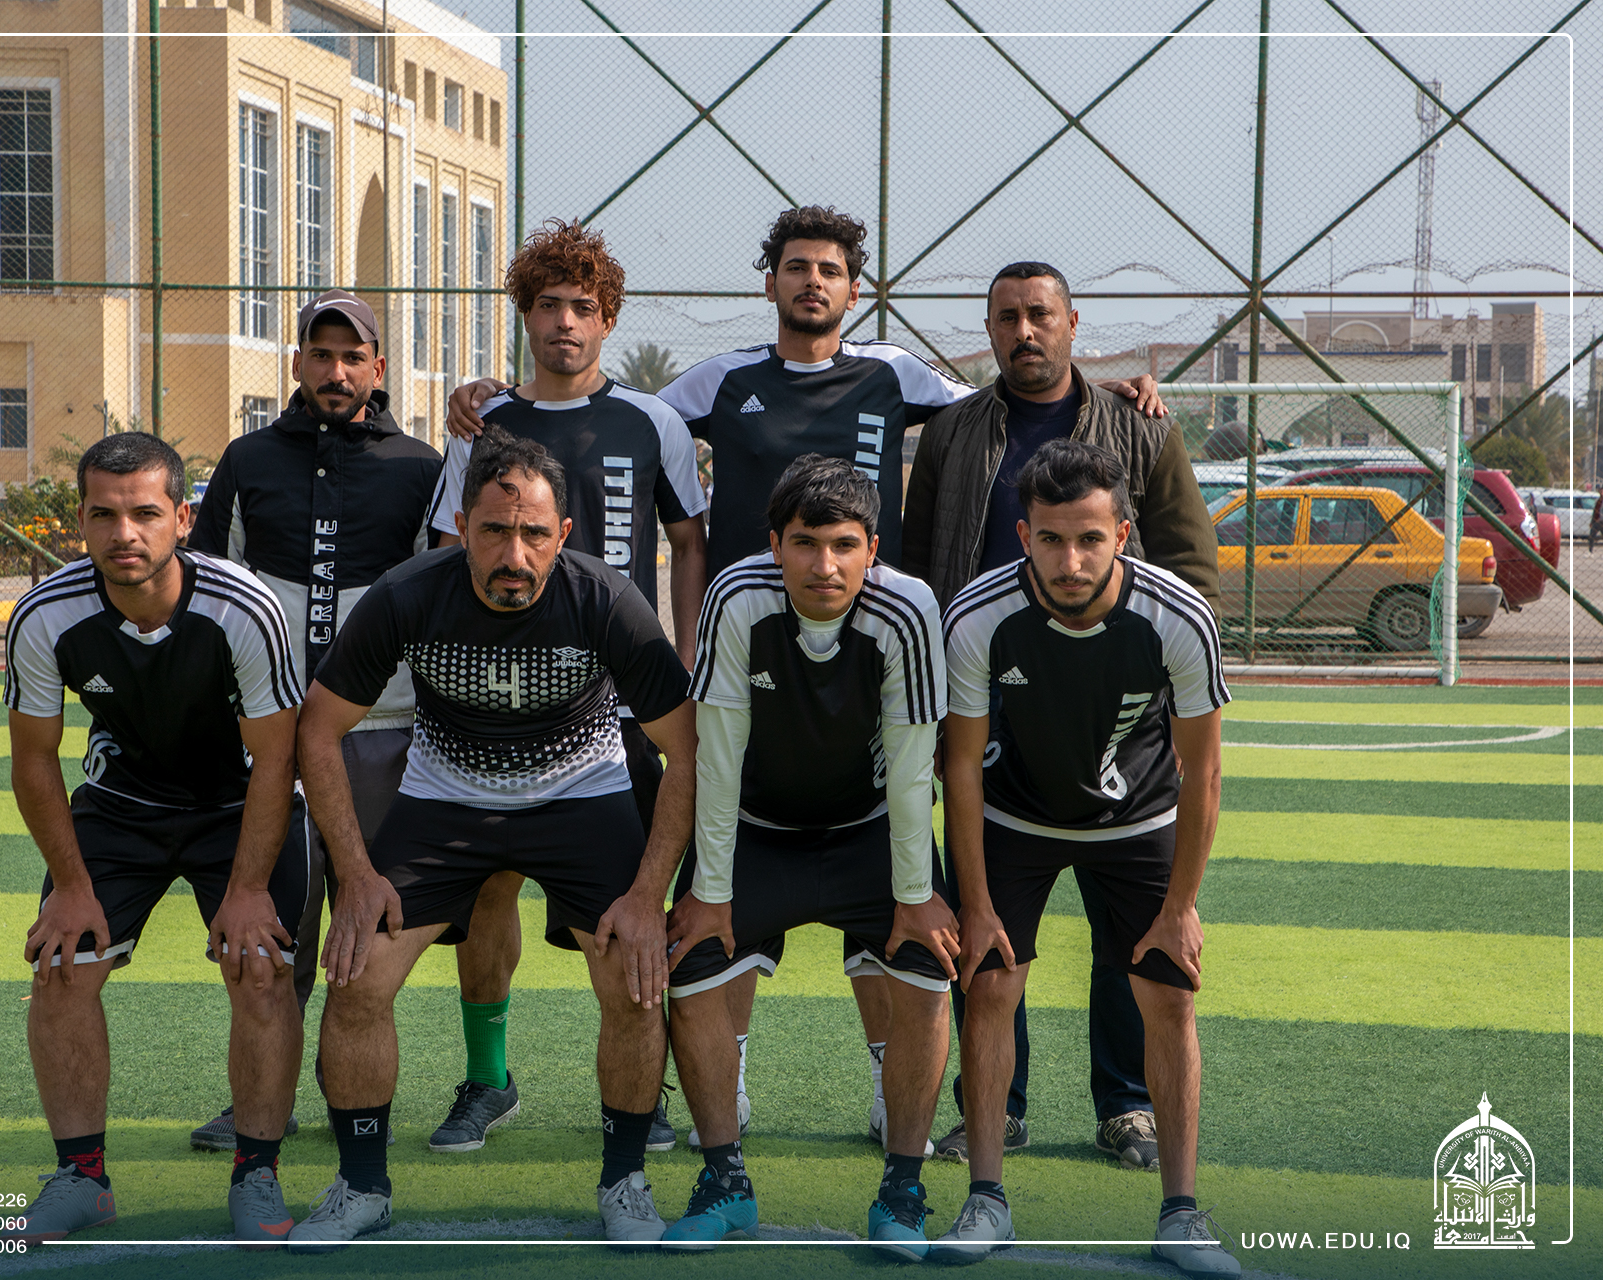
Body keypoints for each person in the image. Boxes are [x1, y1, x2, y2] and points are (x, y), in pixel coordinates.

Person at [449, 212, 1166, 1151]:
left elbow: (1018, 393)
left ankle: (891, 1085)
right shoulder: (719, 381)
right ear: (771, 282)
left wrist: (1105, 389)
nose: (812, 282)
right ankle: (727, 1077)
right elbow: (609, 412)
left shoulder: (897, 374)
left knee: (890, 875)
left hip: (867, 661)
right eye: (796, 267)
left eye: (829, 269)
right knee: (724, 876)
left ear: (853, 288)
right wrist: (489, 394)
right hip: (751, 659)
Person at [287, 430, 697, 1250]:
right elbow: (319, 730)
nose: (515, 554)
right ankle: (361, 1187)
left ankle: (624, 1181)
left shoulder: (607, 599)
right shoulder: (407, 593)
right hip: (446, 799)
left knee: (634, 982)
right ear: (462, 528)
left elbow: (685, 750)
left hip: (581, 797)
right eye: (495, 531)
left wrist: (648, 894)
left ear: (563, 534)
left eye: (534, 534)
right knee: (358, 978)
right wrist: (358, 873)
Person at [903, 261, 1219, 1171]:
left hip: (1114, 703)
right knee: (990, 934)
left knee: (1133, 932)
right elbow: (921, 563)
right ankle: (997, 1109)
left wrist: (1157, 683)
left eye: (1040, 314)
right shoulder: (954, 429)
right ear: (990, 329)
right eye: (1006, 317)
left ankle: (1126, 1105)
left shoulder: (1139, 422)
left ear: (1073, 324)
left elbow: (1190, 562)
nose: (1024, 331)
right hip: (989, 689)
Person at [422, 222, 707, 1154]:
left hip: (619, 706)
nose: (565, 323)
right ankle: (487, 1079)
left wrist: (682, 660)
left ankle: (640, 1093)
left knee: (625, 908)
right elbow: (445, 553)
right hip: (499, 701)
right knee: (488, 893)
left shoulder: (653, 423)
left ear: (608, 319)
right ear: (525, 316)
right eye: (548, 305)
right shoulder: (482, 426)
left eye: (584, 307)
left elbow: (689, 543)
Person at [934, 438, 1237, 1275]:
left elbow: (1205, 771)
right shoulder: (978, 615)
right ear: (1024, 535)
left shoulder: (1179, 617)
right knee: (990, 985)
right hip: (1015, 815)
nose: (1071, 561)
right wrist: (975, 903)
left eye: (1090, 539)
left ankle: (1181, 1215)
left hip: (1137, 819)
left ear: (1123, 535)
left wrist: (1181, 909)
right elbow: (961, 765)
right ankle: (986, 1202)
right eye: (1052, 539)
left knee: (1169, 997)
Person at [1, 433, 308, 1245]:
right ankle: (81, 1178)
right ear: (80, 520)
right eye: (103, 515)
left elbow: (278, 757)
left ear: (183, 518)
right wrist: (72, 888)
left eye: (144, 513)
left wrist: (248, 890)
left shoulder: (244, 609)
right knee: (63, 968)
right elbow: (33, 759)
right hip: (123, 803)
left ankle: (256, 1174)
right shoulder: (46, 614)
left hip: (241, 802)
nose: (124, 533)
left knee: (262, 970)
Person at [659, 455, 955, 1256]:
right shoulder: (736, 595)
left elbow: (913, 763)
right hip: (759, 828)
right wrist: (711, 890)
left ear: (873, 549)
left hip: (867, 830)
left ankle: (902, 1192)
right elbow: (718, 752)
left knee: (927, 975)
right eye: (805, 543)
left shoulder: (908, 608)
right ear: (775, 545)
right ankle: (725, 1183)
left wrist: (914, 895)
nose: (825, 565)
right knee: (690, 968)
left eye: (844, 545)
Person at [185, 289, 440, 1152]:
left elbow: (433, 600)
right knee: (273, 931)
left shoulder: (419, 466)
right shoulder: (249, 459)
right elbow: (209, 591)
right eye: (320, 354)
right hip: (268, 740)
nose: (336, 371)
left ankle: (350, 1096)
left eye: (352, 356)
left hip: (380, 735)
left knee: (364, 930)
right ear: (296, 362)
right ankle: (262, 1101)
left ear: (378, 368)